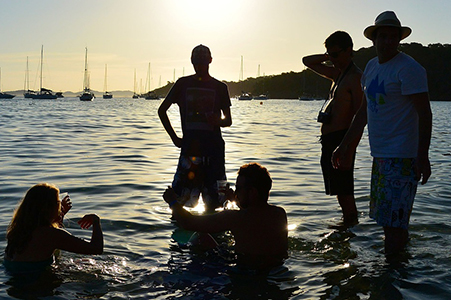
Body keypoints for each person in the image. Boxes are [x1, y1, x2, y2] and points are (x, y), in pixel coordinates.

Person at [332, 11, 432, 256]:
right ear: (374, 39)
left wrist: (422, 156)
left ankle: (392, 274)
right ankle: (398, 269)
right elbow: (365, 111)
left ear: (399, 39)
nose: (388, 41)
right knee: (389, 222)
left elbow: (425, 114)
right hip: (381, 156)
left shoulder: (409, 69)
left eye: (393, 37)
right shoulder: (372, 67)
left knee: (394, 224)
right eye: (383, 36)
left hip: (402, 157)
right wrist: (344, 146)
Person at [163, 163, 288, 272]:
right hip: (274, 269)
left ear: (252, 192)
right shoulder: (279, 214)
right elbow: (253, 216)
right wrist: (235, 199)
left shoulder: (234, 218)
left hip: (243, 270)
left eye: (238, 189)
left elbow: (188, 222)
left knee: (202, 237)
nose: (236, 192)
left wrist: (173, 202)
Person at [158, 44, 232, 212]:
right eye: (196, 63)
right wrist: (175, 138)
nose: (199, 67)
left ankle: (212, 235)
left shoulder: (220, 88)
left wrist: (217, 120)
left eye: (203, 63)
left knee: (214, 204)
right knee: (180, 201)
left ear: (210, 61)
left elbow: (228, 120)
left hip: (214, 152)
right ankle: (182, 235)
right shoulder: (182, 84)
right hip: (190, 151)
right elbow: (162, 110)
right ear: (191, 62)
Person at [302, 31, 363, 224]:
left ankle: (351, 229)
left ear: (349, 51)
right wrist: (329, 56)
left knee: (345, 194)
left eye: (336, 54)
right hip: (329, 142)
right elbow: (307, 61)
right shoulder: (338, 74)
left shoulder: (355, 78)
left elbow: (361, 117)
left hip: (342, 140)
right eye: (330, 54)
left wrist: (348, 147)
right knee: (338, 193)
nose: (332, 60)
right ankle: (344, 231)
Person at [4, 183, 103, 273]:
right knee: (89, 263)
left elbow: (47, 242)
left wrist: (60, 215)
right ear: (48, 208)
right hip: (39, 285)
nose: (60, 206)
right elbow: (96, 249)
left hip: (14, 282)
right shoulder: (52, 235)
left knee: (81, 262)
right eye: (57, 203)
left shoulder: (17, 231)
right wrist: (96, 221)